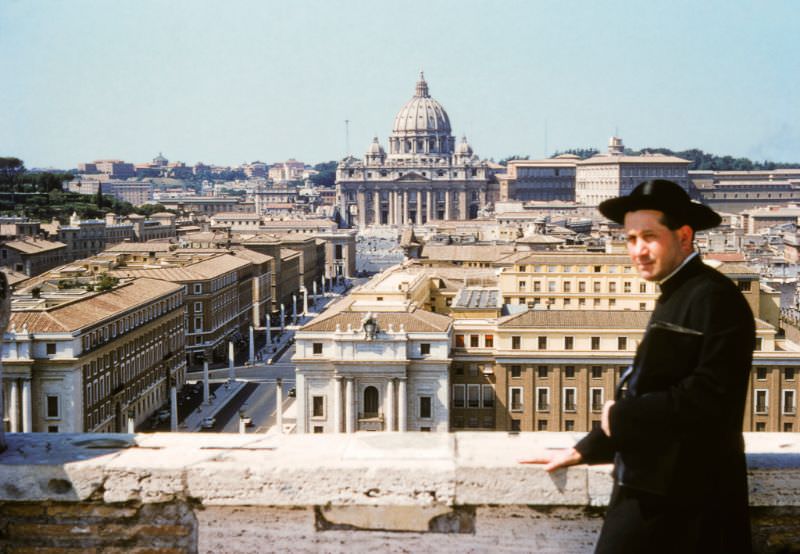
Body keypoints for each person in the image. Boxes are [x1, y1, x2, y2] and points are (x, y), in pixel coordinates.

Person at [522, 180, 755, 553]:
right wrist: (586, 448)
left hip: (680, 507)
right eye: (631, 239)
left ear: (684, 236)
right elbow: (654, 384)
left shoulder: (714, 298)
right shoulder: (682, 291)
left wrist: (623, 416)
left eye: (649, 237)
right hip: (656, 492)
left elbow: (710, 398)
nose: (638, 251)